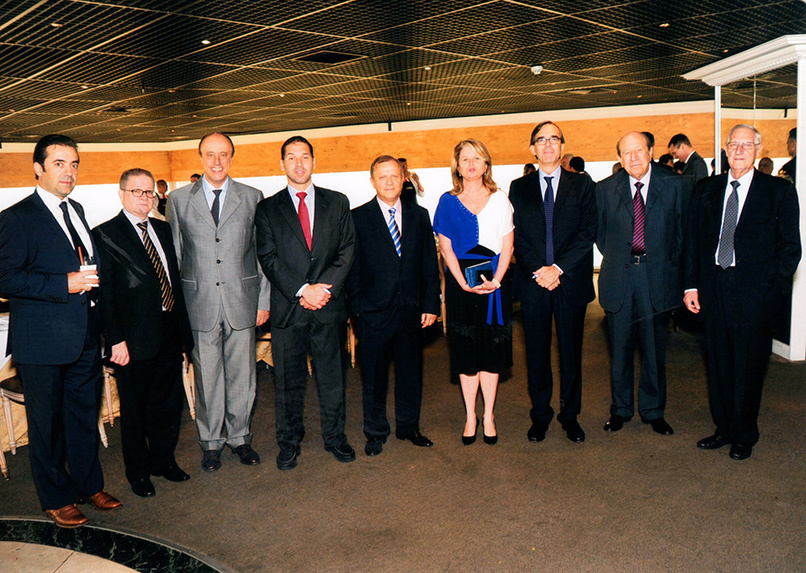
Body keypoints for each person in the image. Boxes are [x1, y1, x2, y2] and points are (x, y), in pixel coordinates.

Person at [0, 134, 121, 528]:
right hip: (42, 342)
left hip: (83, 336)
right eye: (59, 163)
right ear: (38, 168)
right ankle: (56, 498)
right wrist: (62, 284)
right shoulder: (17, 217)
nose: (68, 172)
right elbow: (5, 277)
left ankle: (88, 485)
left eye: (73, 164)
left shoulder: (77, 209)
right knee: (47, 425)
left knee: (83, 416)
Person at [684, 124, 801, 460]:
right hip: (713, 289)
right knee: (718, 362)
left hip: (754, 293)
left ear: (759, 150)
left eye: (746, 145)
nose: (739, 151)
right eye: (733, 144)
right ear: (725, 149)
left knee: (749, 366)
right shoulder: (706, 189)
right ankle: (724, 428)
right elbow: (692, 240)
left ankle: (745, 433)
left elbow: (790, 249)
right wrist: (690, 285)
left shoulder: (778, 191)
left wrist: (771, 293)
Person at [167, 132, 270, 472]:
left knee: (243, 376)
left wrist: (263, 301)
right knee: (207, 378)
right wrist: (177, 310)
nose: (216, 161)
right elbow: (175, 257)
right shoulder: (179, 200)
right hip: (199, 303)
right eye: (210, 154)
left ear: (231, 158)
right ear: (200, 158)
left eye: (223, 154)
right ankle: (210, 443)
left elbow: (261, 255)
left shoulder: (252, 197)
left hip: (243, 301)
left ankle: (240, 437)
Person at [256, 136, 356, 469]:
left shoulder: (337, 202)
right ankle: (288, 443)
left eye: (304, 157)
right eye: (291, 157)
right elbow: (268, 257)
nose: (299, 164)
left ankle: (336, 437)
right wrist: (302, 290)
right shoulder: (267, 208)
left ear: (314, 161)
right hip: (289, 309)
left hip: (328, 306)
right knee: (288, 382)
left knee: (332, 378)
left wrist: (322, 290)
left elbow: (347, 250)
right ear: (282, 163)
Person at [93, 168, 194, 497]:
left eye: (149, 192)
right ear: (121, 194)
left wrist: (183, 333)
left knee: (168, 403)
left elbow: (173, 281)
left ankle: (164, 460)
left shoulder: (163, 229)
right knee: (135, 410)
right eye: (137, 191)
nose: (144, 197)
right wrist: (115, 339)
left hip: (169, 330)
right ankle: (138, 472)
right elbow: (106, 295)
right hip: (132, 339)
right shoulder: (106, 234)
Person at [346, 156, 440, 456]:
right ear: (372, 181)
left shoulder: (419, 215)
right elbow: (351, 268)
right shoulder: (357, 218)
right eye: (382, 177)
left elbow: (429, 263)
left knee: (411, 373)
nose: (389, 182)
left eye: (394, 176)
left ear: (403, 180)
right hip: (372, 313)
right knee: (374, 377)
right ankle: (375, 432)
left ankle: (409, 427)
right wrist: (357, 309)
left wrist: (431, 304)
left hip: (411, 312)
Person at [596, 131, 688, 436]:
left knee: (654, 349)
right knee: (619, 349)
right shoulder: (605, 189)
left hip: (657, 277)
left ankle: (653, 411)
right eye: (626, 152)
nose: (633, 157)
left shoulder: (675, 185)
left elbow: (682, 234)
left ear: (651, 152)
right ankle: (620, 409)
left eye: (639, 151)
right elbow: (601, 235)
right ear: (619, 157)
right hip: (619, 277)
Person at [510, 121, 596, 444]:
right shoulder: (519, 187)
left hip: (569, 282)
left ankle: (570, 416)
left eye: (554, 139)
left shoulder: (583, 185)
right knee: (536, 354)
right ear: (532, 148)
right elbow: (515, 235)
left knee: (571, 355)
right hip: (534, 284)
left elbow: (587, 233)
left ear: (562, 146)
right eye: (541, 140)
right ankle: (541, 416)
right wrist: (539, 270)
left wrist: (557, 269)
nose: (548, 145)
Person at [433, 139, 514, 446]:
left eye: (477, 158)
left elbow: (508, 245)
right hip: (460, 284)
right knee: (466, 352)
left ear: (486, 164)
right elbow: (446, 247)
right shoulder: (447, 201)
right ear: (457, 165)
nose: (471, 164)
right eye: (465, 159)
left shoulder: (501, 199)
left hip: (495, 283)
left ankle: (489, 415)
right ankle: (470, 416)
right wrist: (461, 282)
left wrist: (498, 280)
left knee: (491, 352)